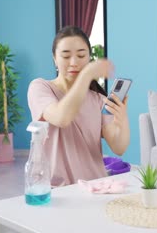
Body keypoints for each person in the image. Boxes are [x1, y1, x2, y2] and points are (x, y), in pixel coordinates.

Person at [27, 26, 130, 187]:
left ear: (89, 57)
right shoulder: (40, 88)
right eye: (66, 56)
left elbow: (119, 147)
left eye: (81, 55)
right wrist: (87, 75)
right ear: (54, 58)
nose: (74, 62)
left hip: (95, 187)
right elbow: (61, 117)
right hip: (57, 189)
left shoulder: (98, 100)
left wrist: (122, 119)